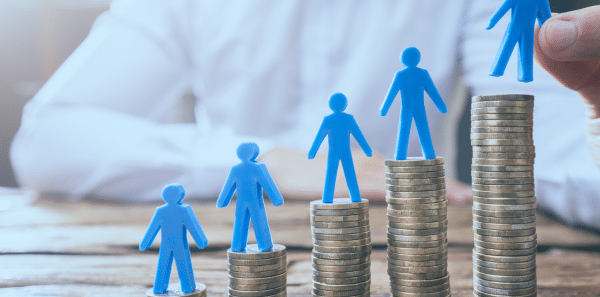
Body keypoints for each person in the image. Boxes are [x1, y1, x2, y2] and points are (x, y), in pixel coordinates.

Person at [9, 1, 600, 230]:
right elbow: (49, 138)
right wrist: (263, 160)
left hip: (409, 241)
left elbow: (556, 150)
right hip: (240, 243)